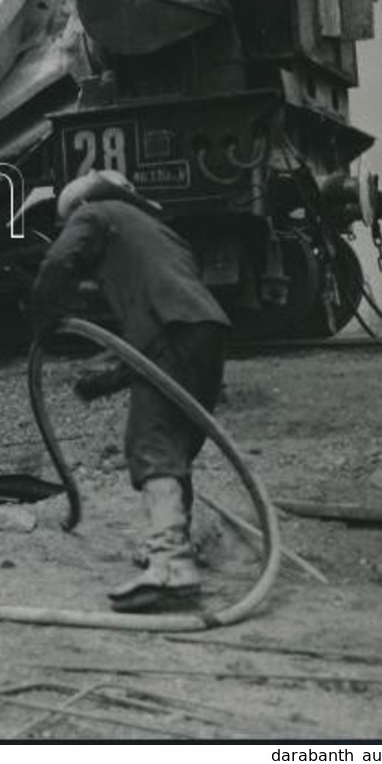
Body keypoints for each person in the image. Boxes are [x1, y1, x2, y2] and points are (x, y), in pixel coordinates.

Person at [30, 169, 231, 612]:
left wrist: (43, 318)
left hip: (175, 334)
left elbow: (59, 262)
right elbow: (152, 349)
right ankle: (174, 545)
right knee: (173, 444)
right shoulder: (156, 231)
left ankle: (171, 563)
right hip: (206, 332)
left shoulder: (94, 213)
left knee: (151, 441)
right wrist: (104, 382)